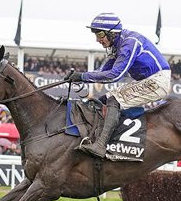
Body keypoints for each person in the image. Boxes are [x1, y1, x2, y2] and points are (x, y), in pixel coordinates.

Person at [66, 13, 171, 158]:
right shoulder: (116, 45)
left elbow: (114, 75)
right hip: (145, 81)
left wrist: (83, 76)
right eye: (96, 35)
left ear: (113, 33)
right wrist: (79, 77)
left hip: (157, 81)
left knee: (114, 100)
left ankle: (101, 145)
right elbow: (102, 71)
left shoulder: (129, 43)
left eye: (100, 34)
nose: (98, 39)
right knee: (102, 99)